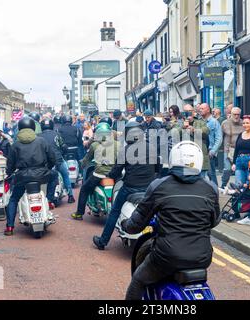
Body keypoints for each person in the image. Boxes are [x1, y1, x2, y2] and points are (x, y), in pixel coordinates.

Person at [120, 141, 221, 300]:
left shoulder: (159, 186)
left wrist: (125, 224)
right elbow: (214, 221)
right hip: (202, 257)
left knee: (138, 280)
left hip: (167, 257)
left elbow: (135, 225)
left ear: (174, 159)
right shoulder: (211, 188)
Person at [92, 122, 159, 250]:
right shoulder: (151, 148)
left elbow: (116, 171)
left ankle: (103, 241)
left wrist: (110, 175)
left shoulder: (126, 150)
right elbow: (157, 169)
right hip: (149, 188)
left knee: (114, 211)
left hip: (130, 188)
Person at [4, 117, 57, 236]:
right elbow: (52, 158)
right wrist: (47, 168)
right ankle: (49, 200)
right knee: (55, 175)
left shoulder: (15, 145)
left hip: (22, 177)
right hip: (41, 174)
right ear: (33, 127)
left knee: (13, 199)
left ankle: (9, 227)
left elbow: (10, 165)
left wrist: (10, 172)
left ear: (19, 128)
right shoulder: (42, 141)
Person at [71, 123, 118, 221]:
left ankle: (79, 213)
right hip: (115, 175)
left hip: (99, 174)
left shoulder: (95, 145)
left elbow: (86, 160)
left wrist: (81, 165)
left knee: (84, 189)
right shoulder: (118, 144)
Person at [39, 118, 75, 204]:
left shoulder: (38, 136)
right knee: (65, 175)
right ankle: (70, 196)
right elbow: (63, 146)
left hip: (45, 162)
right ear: (52, 125)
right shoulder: (57, 134)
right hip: (58, 159)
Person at [171, 104, 210, 178]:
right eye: (186, 111)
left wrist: (194, 130)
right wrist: (183, 127)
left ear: (193, 112)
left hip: (199, 156)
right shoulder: (179, 123)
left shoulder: (200, 122)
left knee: (202, 180)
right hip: (185, 158)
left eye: (190, 111)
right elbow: (173, 133)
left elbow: (206, 132)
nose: (188, 113)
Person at [232, 115, 250, 187]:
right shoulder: (240, 135)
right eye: (243, 123)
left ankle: (248, 198)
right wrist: (234, 163)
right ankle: (240, 198)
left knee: (249, 184)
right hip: (239, 161)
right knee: (239, 184)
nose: (245, 125)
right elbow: (236, 150)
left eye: (247, 123)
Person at [200, 103, 222, 186]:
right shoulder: (198, 121)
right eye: (200, 108)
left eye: (202, 108)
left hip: (208, 152)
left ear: (208, 110)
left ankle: (215, 193)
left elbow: (219, 138)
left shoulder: (214, 122)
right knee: (201, 174)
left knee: (210, 174)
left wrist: (213, 151)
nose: (200, 110)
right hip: (199, 150)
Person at [221, 107, 243, 188]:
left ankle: (238, 186)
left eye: (238, 114)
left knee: (238, 169)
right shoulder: (225, 123)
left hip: (240, 150)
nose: (236, 116)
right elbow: (220, 136)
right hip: (228, 149)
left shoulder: (243, 123)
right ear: (231, 114)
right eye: (235, 114)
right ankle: (223, 185)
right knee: (227, 169)